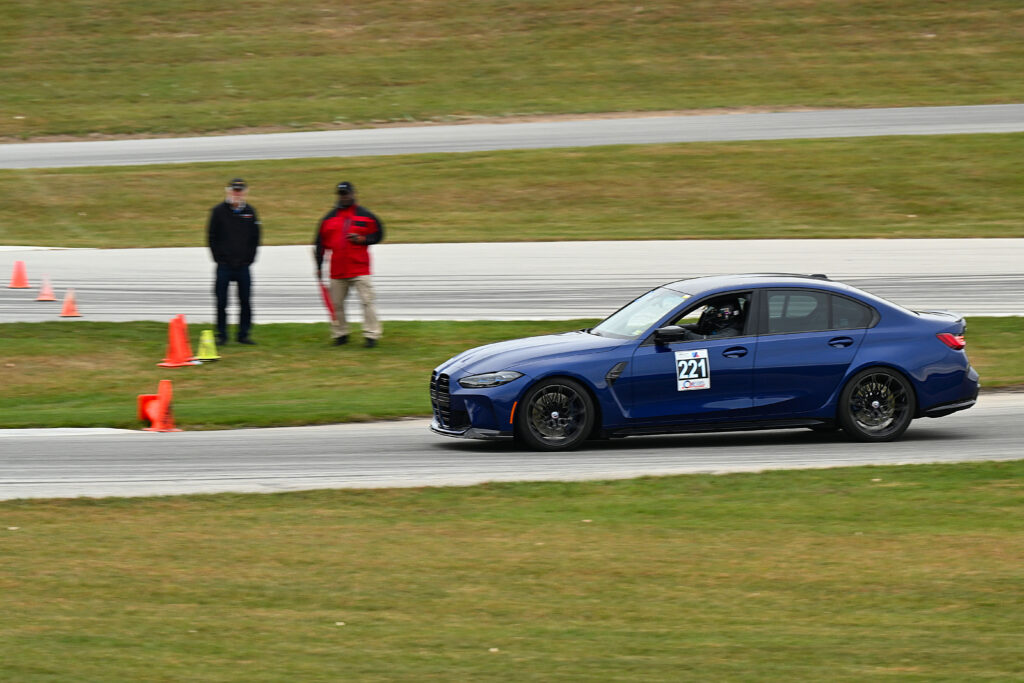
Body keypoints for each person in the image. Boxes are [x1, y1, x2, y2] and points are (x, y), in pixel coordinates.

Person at [314, 181, 384, 348]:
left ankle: (371, 335)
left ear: (353, 194)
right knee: (336, 304)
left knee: (367, 302)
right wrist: (318, 266)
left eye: (346, 194)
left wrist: (362, 239)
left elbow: (378, 234)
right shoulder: (328, 219)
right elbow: (319, 244)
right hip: (338, 270)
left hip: (360, 268)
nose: (344, 197)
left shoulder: (366, 215)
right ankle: (340, 334)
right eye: (341, 194)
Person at [207, 178, 261, 345]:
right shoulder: (218, 211)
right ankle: (222, 335)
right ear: (229, 191)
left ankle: (243, 334)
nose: (237, 194)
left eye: (240, 191)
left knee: (245, 301)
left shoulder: (250, 212)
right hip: (224, 266)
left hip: (243, 266)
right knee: (221, 301)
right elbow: (211, 237)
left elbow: (255, 237)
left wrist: (249, 259)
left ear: (245, 192)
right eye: (234, 190)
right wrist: (219, 258)